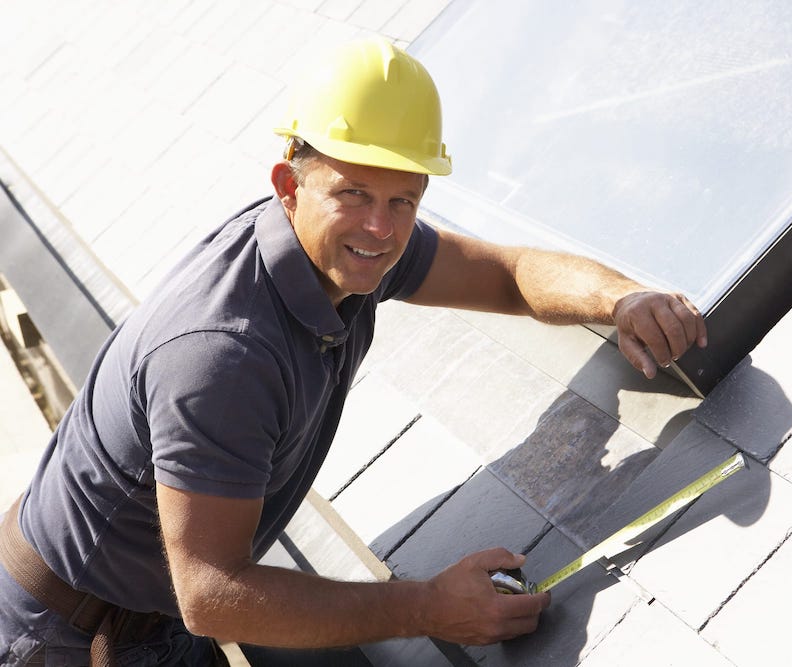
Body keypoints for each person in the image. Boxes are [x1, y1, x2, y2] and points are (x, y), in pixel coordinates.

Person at [0, 37, 706, 666]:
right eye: (355, 192)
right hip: (56, 637)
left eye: (405, 199)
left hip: (145, 612)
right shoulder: (225, 353)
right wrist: (427, 606)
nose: (380, 225)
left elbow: (506, 272)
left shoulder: (350, 251)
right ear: (289, 186)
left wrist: (621, 298)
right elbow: (213, 593)